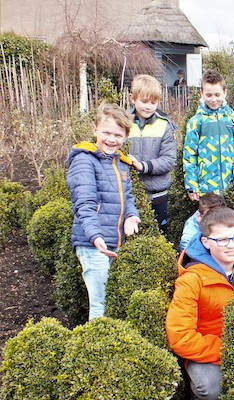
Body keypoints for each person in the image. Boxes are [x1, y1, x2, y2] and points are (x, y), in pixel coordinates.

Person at [165, 207, 234, 400]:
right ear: (206, 242)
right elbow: (180, 336)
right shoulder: (191, 280)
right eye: (222, 240)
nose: (232, 245)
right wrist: (227, 350)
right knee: (211, 389)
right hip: (208, 351)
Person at [67, 103, 141, 320]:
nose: (111, 139)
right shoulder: (84, 160)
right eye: (106, 132)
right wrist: (95, 236)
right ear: (94, 129)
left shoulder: (120, 163)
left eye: (118, 135)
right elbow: (84, 203)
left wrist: (131, 216)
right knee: (100, 304)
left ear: (126, 136)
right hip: (94, 244)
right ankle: (96, 349)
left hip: (115, 242)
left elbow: (127, 198)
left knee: (112, 299)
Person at [126, 74, 177, 234]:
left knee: (160, 235)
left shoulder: (164, 126)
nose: (148, 106)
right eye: (144, 101)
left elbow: (169, 160)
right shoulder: (123, 123)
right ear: (132, 98)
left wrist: (144, 166)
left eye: (153, 102)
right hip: (131, 195)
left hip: (159, 194)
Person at [183, 69, 234, 199]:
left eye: (217, 94)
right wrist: (192, 185)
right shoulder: (196, 122)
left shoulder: (233, 121)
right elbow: (189, 155)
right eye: (209, 95)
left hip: (231, 187)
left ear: (224, 93)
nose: (214, 99)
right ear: (202, 94)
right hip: (206, 189)